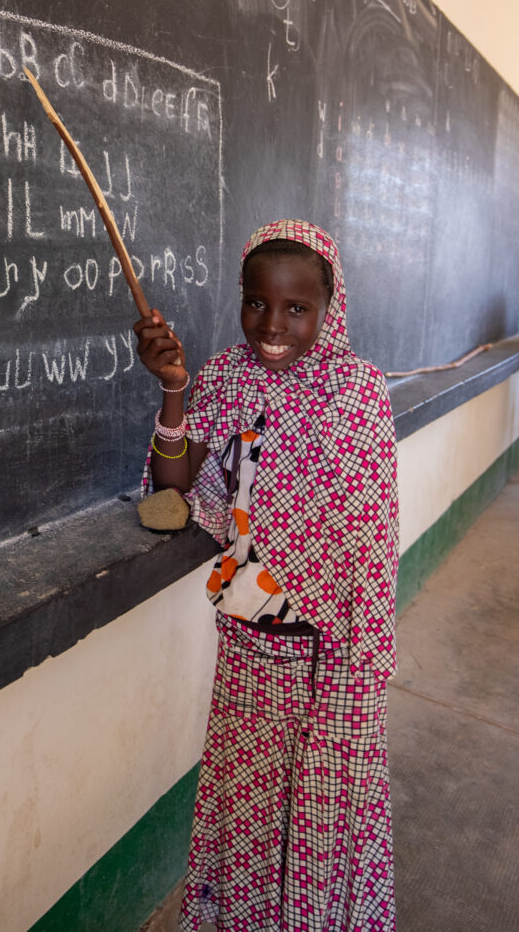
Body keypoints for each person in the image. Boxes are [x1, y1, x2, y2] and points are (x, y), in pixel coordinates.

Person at [134, 219, 399, 932]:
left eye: (297, 308)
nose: (272, 326)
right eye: (257, 304)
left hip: (329, 660)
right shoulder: (222, 376)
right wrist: (174, 390)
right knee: (248, 825)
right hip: (251, 653)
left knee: (317, 831)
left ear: (329, 308)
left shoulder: (359, 395)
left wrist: (360, 678)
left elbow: (370, 557)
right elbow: (177, 485)